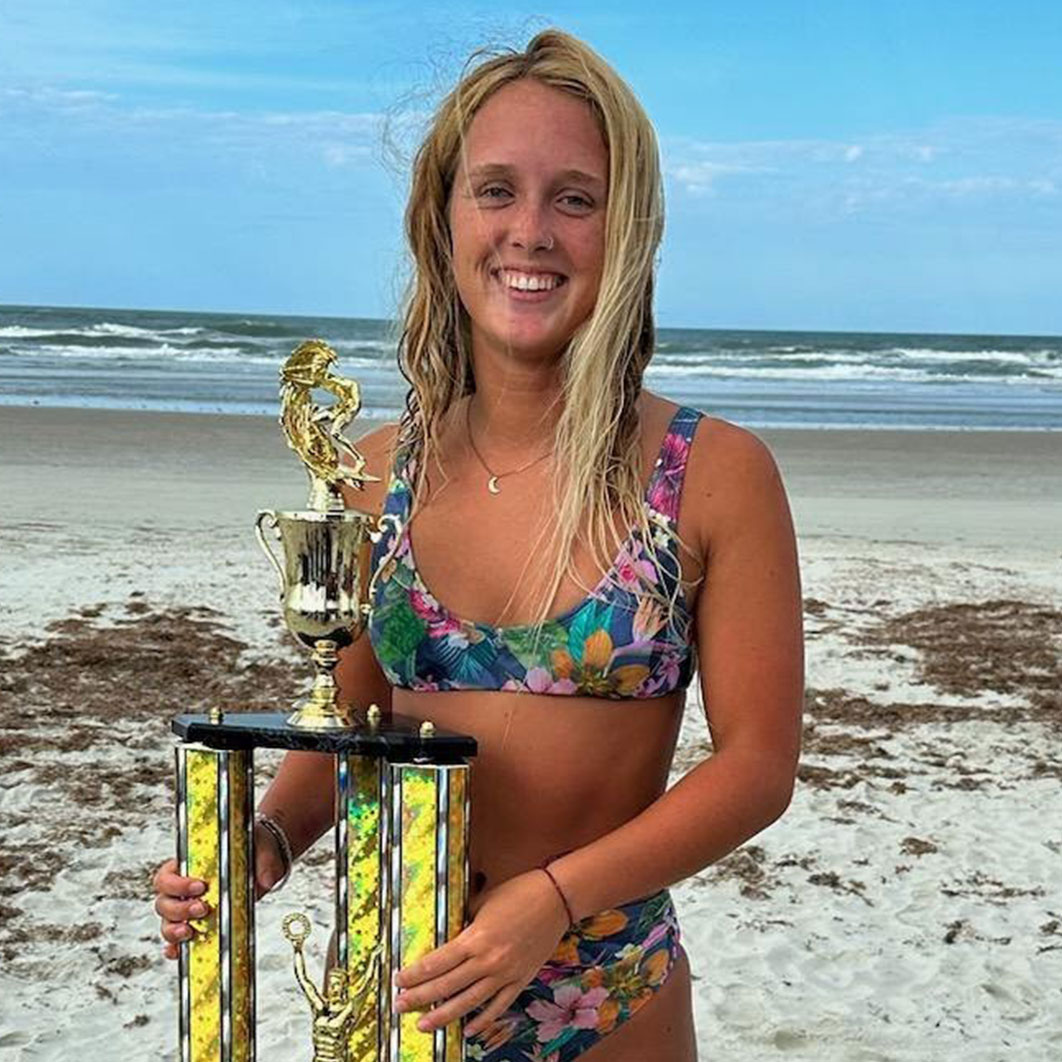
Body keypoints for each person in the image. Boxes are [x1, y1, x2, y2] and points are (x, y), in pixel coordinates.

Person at [153, 27, 804, 1061]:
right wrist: (267, 840)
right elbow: (354, 722)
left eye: (575, 198)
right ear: (442, 219)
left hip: (602, 997)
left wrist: (552, 900)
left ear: (626, 229)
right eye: (495, 191)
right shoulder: (373, 474)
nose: (530, 231)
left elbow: (760, 767)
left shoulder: (712, 473)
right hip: (391, 986)